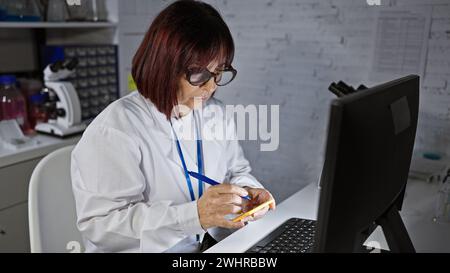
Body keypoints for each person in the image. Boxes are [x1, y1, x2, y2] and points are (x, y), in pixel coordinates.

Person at [70, 0, 276, 253]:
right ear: (164, 68)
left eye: (219, 72)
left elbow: (236, 170)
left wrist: (247, 192)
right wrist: (193, 216)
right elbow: (102, 226)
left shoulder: (215, 112)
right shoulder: (115, 130)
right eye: (200, 75)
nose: (211, 87)